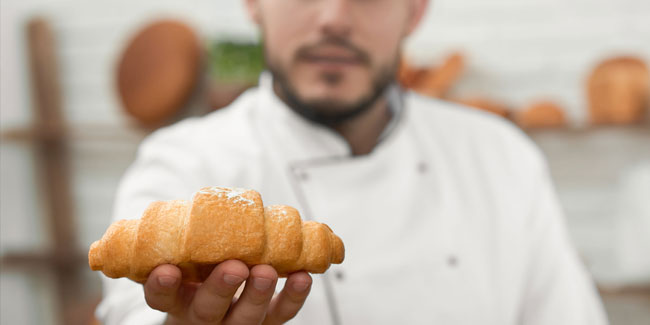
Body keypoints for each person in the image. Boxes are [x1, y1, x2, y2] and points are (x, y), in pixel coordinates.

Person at [96, 0, 608, 324]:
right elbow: (131, 313)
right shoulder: (184, 162)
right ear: (253, 3)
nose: (335, 16)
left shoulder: (502, 157)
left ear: (416, 10)